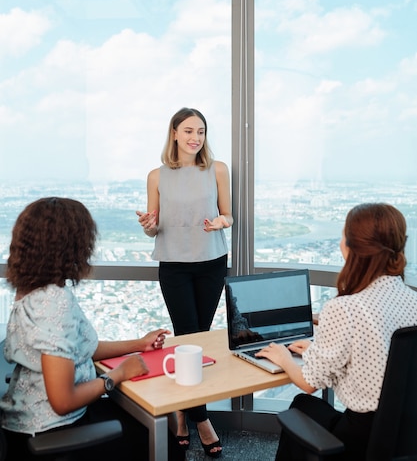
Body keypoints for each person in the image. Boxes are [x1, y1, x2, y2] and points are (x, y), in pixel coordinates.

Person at [0, 196, 185, 461]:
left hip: (26, 424)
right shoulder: (54, 302)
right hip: (52, 431)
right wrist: (117, 375)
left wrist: (138, 344)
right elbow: (62, 400)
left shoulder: (31, 290)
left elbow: (73, 350)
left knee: (149, 420)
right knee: (162, 440)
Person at [256, 202, 417, 461]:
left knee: (302, 403)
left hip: (360, 442)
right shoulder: (412, 300)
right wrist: (315, 351)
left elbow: (308, 384)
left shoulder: (345, 308)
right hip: (405, 437)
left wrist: (283, 358)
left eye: (344, 234)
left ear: (353, 248)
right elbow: (380, 358)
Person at [136, 107, 233, 458]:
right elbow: (153, 227)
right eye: (189, 131)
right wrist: (147, 224)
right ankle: (202, 419)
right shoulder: (156, 176)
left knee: (197, 336)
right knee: (188, 336)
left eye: (202, 131)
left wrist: (222, 223)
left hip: (211, 263)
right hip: (174, 264)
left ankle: (181, 410)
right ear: (174, 133)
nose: (196, 138)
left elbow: (228, 213)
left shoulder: (217, 169)